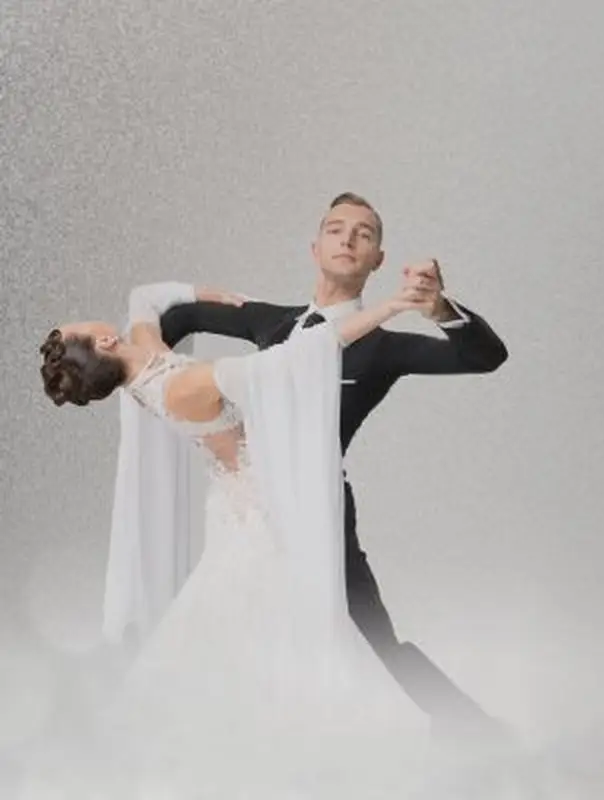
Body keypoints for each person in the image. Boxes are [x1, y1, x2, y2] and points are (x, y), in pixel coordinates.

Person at [32, 281, 441, 797]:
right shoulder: (184, 384)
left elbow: (142, 298)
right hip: (264, 509)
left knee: (240, 621)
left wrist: (203, 292)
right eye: (76, 326)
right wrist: (393, 306)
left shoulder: (147, 357)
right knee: (274, 628)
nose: (81, 316)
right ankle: (278, 753)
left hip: (233, 501)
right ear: (106, 342)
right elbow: (299, 357)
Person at [157, 192, 510, 743]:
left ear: (377, 260)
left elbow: (485, 358)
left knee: (373, 636)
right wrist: (161, 367)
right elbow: (176, 317)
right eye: (336, 229)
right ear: (315, 247)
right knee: (228, 622)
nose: (348, 239)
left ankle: (473, 730)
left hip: (317, 509)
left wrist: (439, 307)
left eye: (363, 234)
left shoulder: (382, 347)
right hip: (246, 507)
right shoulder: (270, 321)